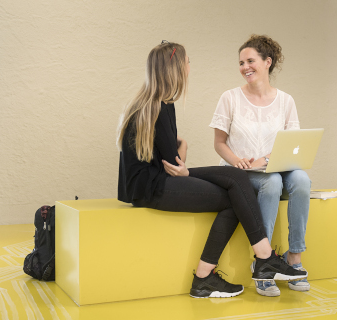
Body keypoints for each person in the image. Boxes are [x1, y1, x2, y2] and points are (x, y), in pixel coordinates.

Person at [116, 41, 307, 299]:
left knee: (236, 178)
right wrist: (181, 149)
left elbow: (173, 158)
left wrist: (181, 147)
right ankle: (256, 260)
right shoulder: (158, 107)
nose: (189, 68)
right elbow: (175, 163)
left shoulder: (158, 103)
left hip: (157, 178)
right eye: (187, 63)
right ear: (175, 69)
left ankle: (241, 266)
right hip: (151, 187)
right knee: (234, 196)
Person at [209, 34, 310, 297]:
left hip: (274, 168)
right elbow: (219, 144)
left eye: (250, 61)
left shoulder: (286, 101)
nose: (245, 67)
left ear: (268, 62)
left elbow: (293, 144)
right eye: (241, 62)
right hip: (242, 174)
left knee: (301, 179)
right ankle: (263, 261)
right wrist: (237, 160)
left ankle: (294, 257)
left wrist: (269, 160)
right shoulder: (229, 98)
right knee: (272, 182)